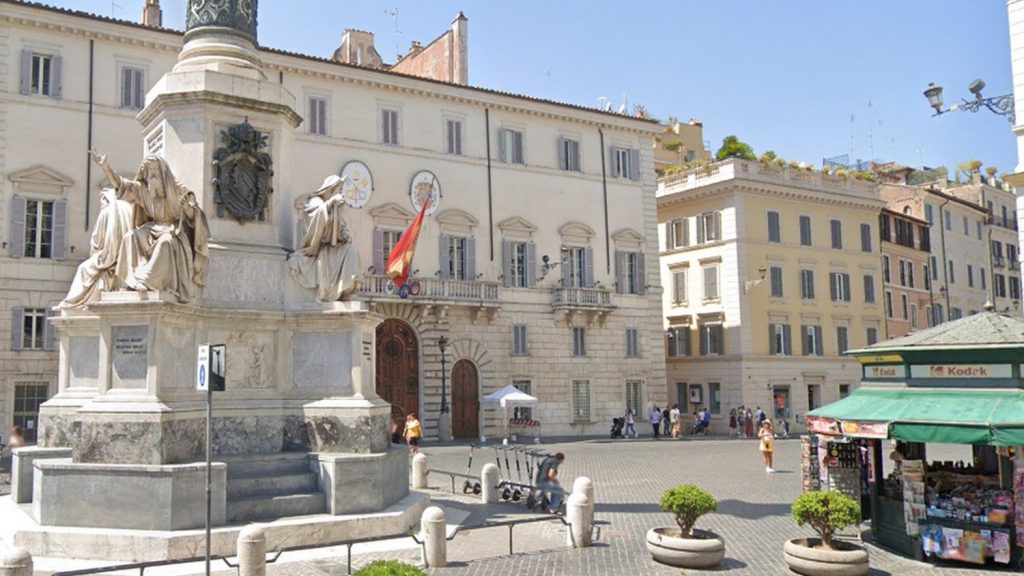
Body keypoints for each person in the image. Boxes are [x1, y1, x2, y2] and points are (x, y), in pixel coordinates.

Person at [89, 149, 210, 303]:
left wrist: (186, 208)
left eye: (155, 170)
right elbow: (121, 185)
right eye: (149, 170)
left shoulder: (179, 190)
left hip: (173, 232)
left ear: (163, 172)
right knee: (130, 237)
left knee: (165, 242)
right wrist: (106, 167)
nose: (152, 174)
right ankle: (131, 281)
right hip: (152, 229)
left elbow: (195, 217)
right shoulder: (143, 190)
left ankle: (147, 280)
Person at [289, 174, 362, 302]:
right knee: (331, 256)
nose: (340, 193)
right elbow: (315, 221)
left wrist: (344, 235)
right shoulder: (315, 202)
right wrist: (330, 203)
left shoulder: (335, 207)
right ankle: (333, 292)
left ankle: (347, 290)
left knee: (352, 251)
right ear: (331, 189)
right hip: (319, 248)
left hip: (334, 247)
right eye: (339, 189)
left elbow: (341, 227)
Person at [60, 188, 135, 308]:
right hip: (127, 259)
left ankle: (71, 304)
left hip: (107, 257)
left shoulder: (106, 212)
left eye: (102, 199)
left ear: (107, 198)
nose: (101, 203)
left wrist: (95, 253)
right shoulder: (128, 210)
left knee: (83, 269)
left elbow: (96, 241)